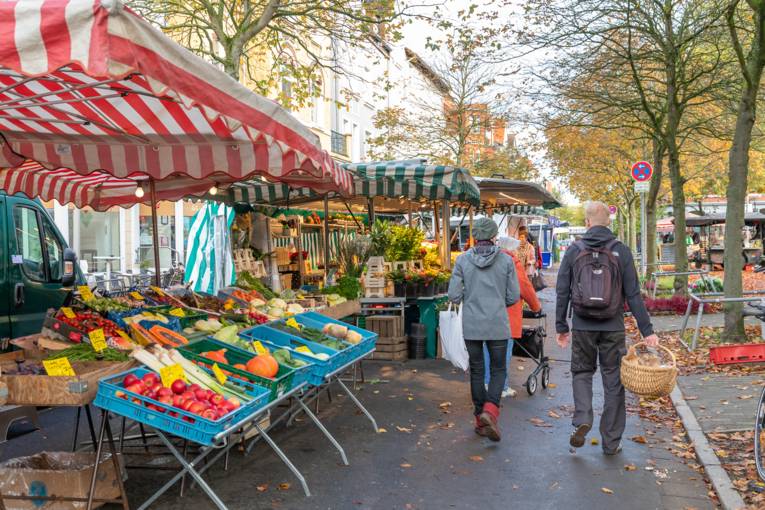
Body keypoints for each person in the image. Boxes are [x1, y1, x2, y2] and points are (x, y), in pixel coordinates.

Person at [555, 201, 659, 455]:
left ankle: (582, 419)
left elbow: (562, 290)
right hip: (613, 326)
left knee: (581, 372)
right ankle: (611, 442)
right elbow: (633, 293)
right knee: (613, 380)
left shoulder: (574, 249)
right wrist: (647, 330)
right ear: (609, 222)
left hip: (582, 325)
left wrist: (561, 326)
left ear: (587, 222)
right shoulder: (620, 251)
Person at [448, 218, 520, 442]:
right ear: (494, 235)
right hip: (498, 324)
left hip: (472, 326)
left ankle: (480, 419)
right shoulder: (506, 261)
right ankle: (491, 410)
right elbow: (513, 296)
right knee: (499, 370)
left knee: (478, 371)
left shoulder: (462, 260)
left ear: (474, 235)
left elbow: (453, 295)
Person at [483, 236, 542, 397]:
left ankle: (487, 383)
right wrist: (536, 307)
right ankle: (501, 387)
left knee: (488, 349)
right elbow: (525, 287)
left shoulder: (485, 260)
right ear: (511, 249)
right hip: (506, 315)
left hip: (486, 313)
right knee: (503, 351)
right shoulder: (513, 264)